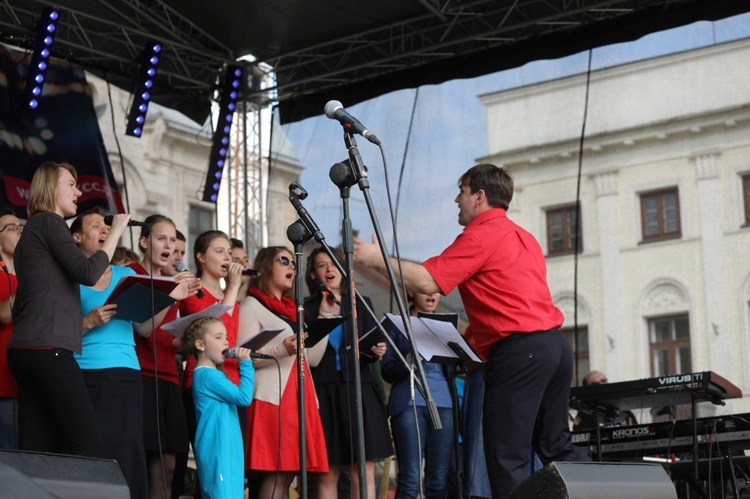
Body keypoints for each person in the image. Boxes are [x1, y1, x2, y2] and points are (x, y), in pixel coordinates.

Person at [354, 163, 591, 498]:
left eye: (461, 191)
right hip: (554, 347)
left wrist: (374, 258)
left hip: (520, 352)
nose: (456, 199)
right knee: (556, 445)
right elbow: (507, 298)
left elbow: (428, 281)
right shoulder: (525, 236)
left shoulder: (481, 235)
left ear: (479, 196)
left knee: (506, 458)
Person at [7, 162, 131, 457]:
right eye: (71, 184)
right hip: (48, 348)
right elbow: (87, 272)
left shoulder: (33, 233)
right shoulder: (49, 222)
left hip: (26, 348)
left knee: (36, 450)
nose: (78, 192)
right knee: (87, 441)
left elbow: (20, 306)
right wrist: (114, 233)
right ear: (51, 188)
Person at [71, 207, 152, 498]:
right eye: (96, 226)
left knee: (126, 447)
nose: (105, 230)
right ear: (76, 237)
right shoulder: (69, 275)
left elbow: (144, 328)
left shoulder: (126, 273)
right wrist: (87, 322)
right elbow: (58, 332)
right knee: (91, 447)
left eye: (108, 226)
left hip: (125, 372)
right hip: (83, 372)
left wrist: (170, 298)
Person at [239, 246, 329, 499]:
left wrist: (325, 317)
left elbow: (311, 359)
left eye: (293, 263)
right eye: (284, 261)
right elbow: (243, 356)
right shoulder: (251, 305)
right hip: (274, 396)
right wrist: (281, 349)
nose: (292, 266)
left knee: (288, 473)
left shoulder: (292, 309)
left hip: (299, 394)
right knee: (277, 472)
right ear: (267, 266)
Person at [303, 246, 392, 499]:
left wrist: (376, 349)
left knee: (362, 468)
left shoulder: (362, 302)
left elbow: (368, 345)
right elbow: (306, 354)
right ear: (312, 275)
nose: (330, 269)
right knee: (327, 471)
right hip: (324, 390)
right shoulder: (307, 308)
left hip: (360, 388)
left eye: (334, 264)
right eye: (321, 265)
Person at [129, 214, 201, 499]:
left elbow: (167, 337)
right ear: (144, 241)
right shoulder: (130, 273)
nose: (169, 245)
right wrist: (171, 290)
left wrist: (188, 341)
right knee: (143, 460)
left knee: (169, 464)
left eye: (173, 239)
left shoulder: (171, 281)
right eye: (161, 238)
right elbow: (142, 327)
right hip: (140, 374)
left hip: (169, 375)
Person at [179, 230, 244, 498]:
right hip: (202, 384)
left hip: (232, 386)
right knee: (210, 467)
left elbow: (230, 339)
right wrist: (234, 289)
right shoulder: (193, 291)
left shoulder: (231, 298)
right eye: (219, 251)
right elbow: (215, 330)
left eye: (229, 252)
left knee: (230, 467)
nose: (227, 257)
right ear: (201, 257)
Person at [381, 292, 454, 499]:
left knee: (439, 481)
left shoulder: (446, 326)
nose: (432, 294)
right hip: (408, 403)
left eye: (436, 291)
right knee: (410, 480)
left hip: (445, 405)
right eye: (425, 290)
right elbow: (387, 371)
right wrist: (410, 359)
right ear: (412, 292)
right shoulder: (397, 324)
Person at [182, 316, 255, 499]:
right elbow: (244, 397)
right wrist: (246, 364)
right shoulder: (207, 375)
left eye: (227, 337)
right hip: (218, 449)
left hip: (227, 448)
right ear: (200, 345)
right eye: (218, 337)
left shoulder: (213, 374)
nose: (226, 342)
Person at [0, 207, 22, 449]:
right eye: (10, 228)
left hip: (24, 381)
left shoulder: (24, 274)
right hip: (3, 383)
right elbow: (5, 314)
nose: (18, 231)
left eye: (20, 227)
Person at [572, 371, 637, 430]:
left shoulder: (624, 411)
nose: (601, 384)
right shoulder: (583, 417)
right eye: (595, 384)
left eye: (603, 380)